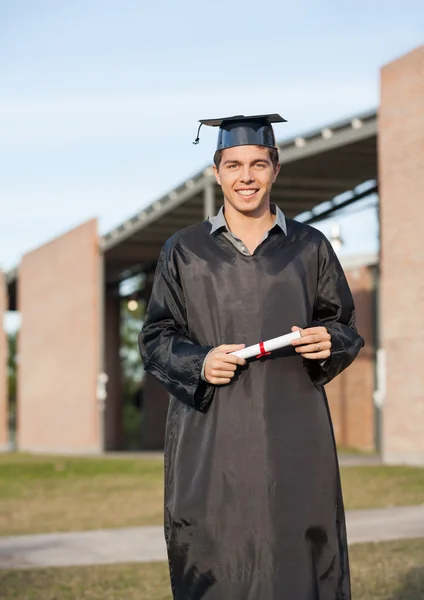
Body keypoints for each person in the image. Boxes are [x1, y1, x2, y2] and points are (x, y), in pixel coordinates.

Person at [138, 113, 364, 600]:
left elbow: (344, 325)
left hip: (294, 432)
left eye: (258, 164)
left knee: (296, 555)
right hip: (211, 436)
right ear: (216, 172)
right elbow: (155, 338)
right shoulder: (185, 251)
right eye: (234, 165)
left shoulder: (309, 247)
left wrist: (331, 341)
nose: (246, 177)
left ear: (275, 169)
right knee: (217, 554)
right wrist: (198, 361)